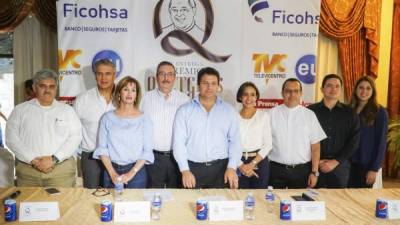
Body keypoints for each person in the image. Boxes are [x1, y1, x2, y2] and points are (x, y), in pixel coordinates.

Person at [6, 69, 82, 187]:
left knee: (64, 205)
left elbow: (75, 137)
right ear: (34, 87)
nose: (47, 90)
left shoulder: (67, 111)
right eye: (43, 86)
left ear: (56, 89)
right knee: (28, 205)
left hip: (61, 172)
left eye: (51, 86)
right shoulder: (20, 110)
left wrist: (54, 159)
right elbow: (11, 139)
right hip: (28, 172)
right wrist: (33, 160)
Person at [173, 67, 241, 189]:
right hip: (192, 170)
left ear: (218, 86)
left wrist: (232, 167)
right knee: (190, 206)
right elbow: (178, 143)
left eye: (213, 83)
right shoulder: (184, 110)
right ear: (198, 85)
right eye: (205, 83)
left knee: (220, 207)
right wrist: (185, 171)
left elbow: (235, 142)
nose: (209, 87)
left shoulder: (229, 111)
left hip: (221, 169)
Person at [93, 76, 154, 188]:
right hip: (111, 170)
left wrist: (131, 173)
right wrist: (112, 173)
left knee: (135, 205)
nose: (129, 93)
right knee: (111, 204)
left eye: (133, 90)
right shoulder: (107, 118)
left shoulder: (144, 118)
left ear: (136, 95)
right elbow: (102, 149)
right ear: (119, 93)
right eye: (126, 89)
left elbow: (147, 151)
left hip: (136, 172)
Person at [268, 78, 326, 189]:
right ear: (282, 93)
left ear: (301, 94)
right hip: (275, 170)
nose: (292, 94)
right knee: (273, 204)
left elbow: (315, 147)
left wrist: (314, 172)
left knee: (299, 205)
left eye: (296, 91)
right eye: (288, 91)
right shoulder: (271, 114)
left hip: (302, 172)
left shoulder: (309, 115)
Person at [141, 61, 190, 188]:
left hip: (177, 158)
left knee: (176, 197)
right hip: (152, 158)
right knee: (152, 196)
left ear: (174, 77)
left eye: (169, 74)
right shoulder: (145, 99)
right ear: (156, 77)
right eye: (162, 74)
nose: (166, 78)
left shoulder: (184, 100)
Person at [308, 74, 360, 188]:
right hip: (314, 166)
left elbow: (354, 142)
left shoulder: (350, 113)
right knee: (312, 201)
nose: (333, 89)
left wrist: (335, 162)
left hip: (339, 166)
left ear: (341, 90)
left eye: (337, 86)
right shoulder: (310, 111)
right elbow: (303, 139)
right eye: (329, 86)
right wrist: (316, 164)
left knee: (338, 202)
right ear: (322, 89)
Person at [74, 59, 116, 189]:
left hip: (117, 158)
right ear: (95, 75)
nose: (103, 78)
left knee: (115, 196)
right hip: (91, 158)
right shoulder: (82, 99)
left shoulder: (124, 97)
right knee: (91, 197)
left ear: (114, 75)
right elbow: (73, 130)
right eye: (99, 73)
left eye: (108, 73)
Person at [348, 76, 388, 188]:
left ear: (373, 91)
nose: (364, 91)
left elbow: (381, 143)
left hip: (366, 164)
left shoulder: (380, 112)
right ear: (355, 90)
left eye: (368, 88)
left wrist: (374, 169)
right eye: (361, 87)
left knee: (360, 199)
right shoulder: (349, 110)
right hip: (347, 163)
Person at [236, 82, 272, 189]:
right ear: (240, 97)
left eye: (252, 94)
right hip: (238, 162)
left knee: (259, 198)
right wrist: (241, 165)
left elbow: (268, 144)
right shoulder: (233, 116)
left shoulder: (263, 116)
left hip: (259, 162)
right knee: (239, 198)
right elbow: (229, 143)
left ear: (256, 97)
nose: (249, 98)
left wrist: (252, 164)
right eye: (245, 94)